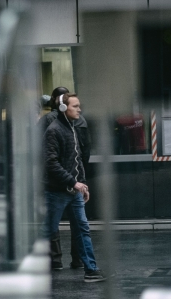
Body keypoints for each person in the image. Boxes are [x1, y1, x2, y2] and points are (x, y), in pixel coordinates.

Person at [43, 93, 105, 282]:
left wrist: (82, 184)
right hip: (57, 191)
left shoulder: (72, 128)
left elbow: (76, 160)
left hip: (73, 190)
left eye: (79, 106)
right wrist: (74, 182)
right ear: (63, 108)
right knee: (48, 231)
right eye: (75, 106)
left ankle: (90, 270)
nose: (79, 109)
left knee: (82, 229)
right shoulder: (54, 130)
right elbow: (51, 163)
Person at [38, 86, 91, 269]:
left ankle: (57, 261)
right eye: (75, 105)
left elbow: (79, 154)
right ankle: (79, 261)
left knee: (70, 226)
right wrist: (78, 180)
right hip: (65, 182)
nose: (78, 109)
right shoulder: (61, 125)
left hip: (67, 182)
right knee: (64, 227)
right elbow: (83, 154)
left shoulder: (63, 122)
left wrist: (79, 181)